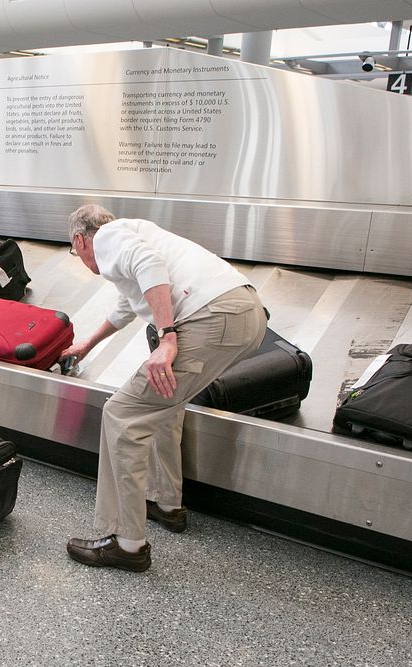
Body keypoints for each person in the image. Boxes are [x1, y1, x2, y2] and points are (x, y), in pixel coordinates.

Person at [62, 204, 267, 572]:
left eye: (76, 252)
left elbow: (149, 264)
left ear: (80, 239)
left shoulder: (107, 238)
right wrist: (87, 345)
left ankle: (126, 541)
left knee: (122, 414)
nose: (81, 259)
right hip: (245, 312)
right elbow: (127, 304)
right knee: (165, 403)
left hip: (210, 315)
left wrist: (168, 337)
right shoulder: (134, 232)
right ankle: (166, 503)